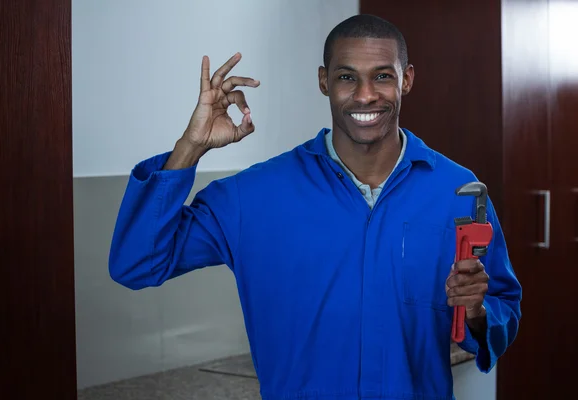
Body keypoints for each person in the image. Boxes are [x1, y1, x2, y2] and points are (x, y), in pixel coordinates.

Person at [109, 14, 521, 400]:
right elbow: (137, 263)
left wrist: (477, 311)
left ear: (406, 79)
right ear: (324, 81)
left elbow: (502, 308)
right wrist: (191, 146)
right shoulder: (254, 197)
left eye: (382, 76)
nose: (365, 95)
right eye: (347, 77)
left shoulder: (457, 191)